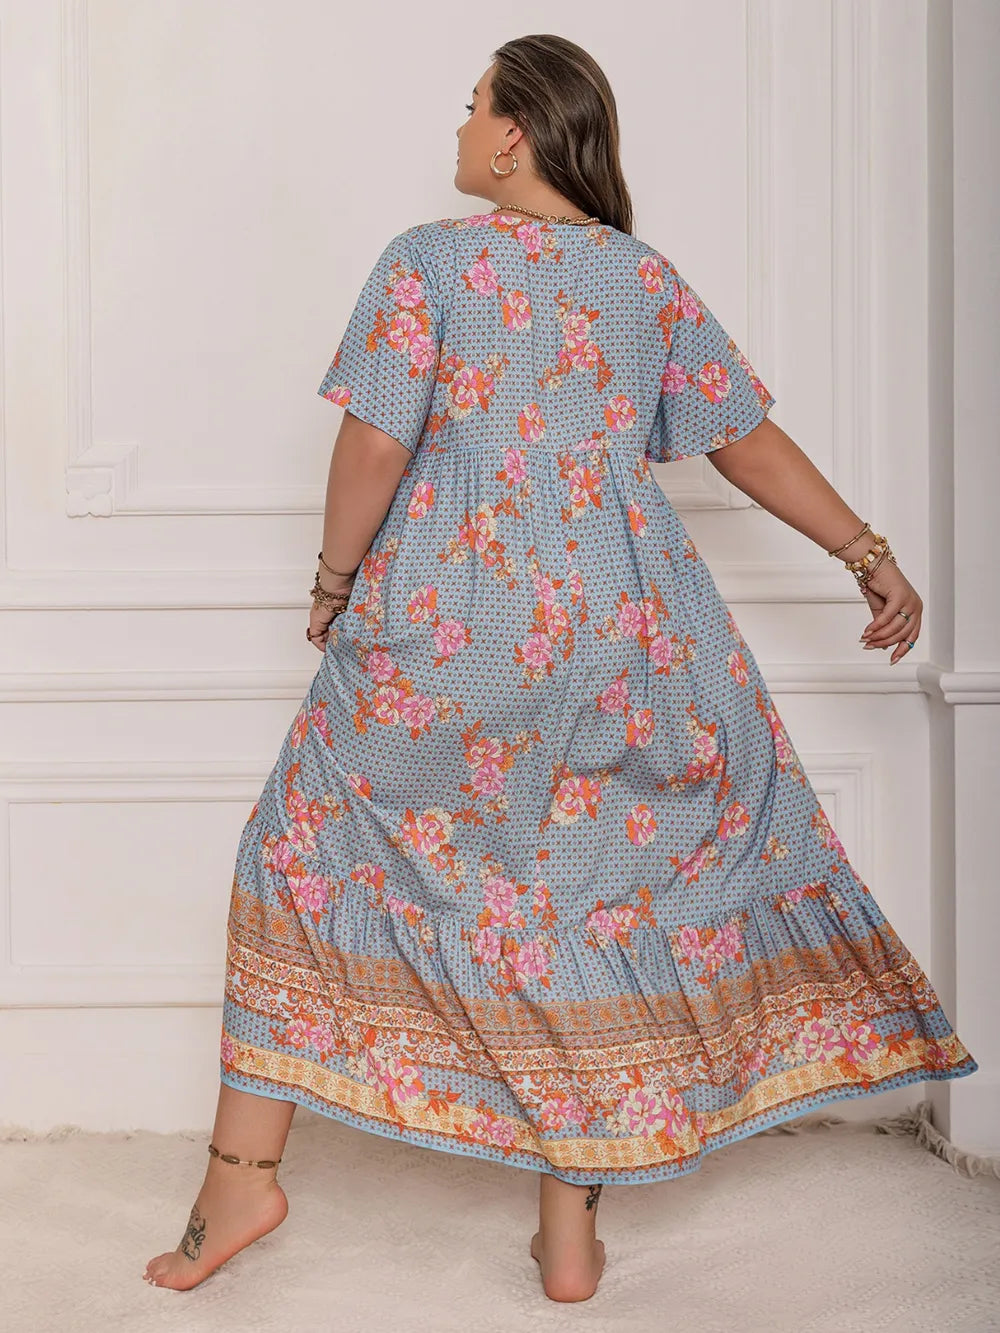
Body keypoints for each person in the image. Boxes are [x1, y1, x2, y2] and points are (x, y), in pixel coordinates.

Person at [144, 34, 977, 1304]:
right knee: (585, 899)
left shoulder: (429, 259)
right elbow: (744, 440)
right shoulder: (641, 279)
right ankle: (571, 1240)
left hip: (454, 625)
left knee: (299, 853)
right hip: (624, 632)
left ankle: (242, 1179)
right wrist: (866, 552)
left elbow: (375, 443)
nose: (459, 124)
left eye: (473, 103)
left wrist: (332, 579)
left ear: (515, 134)